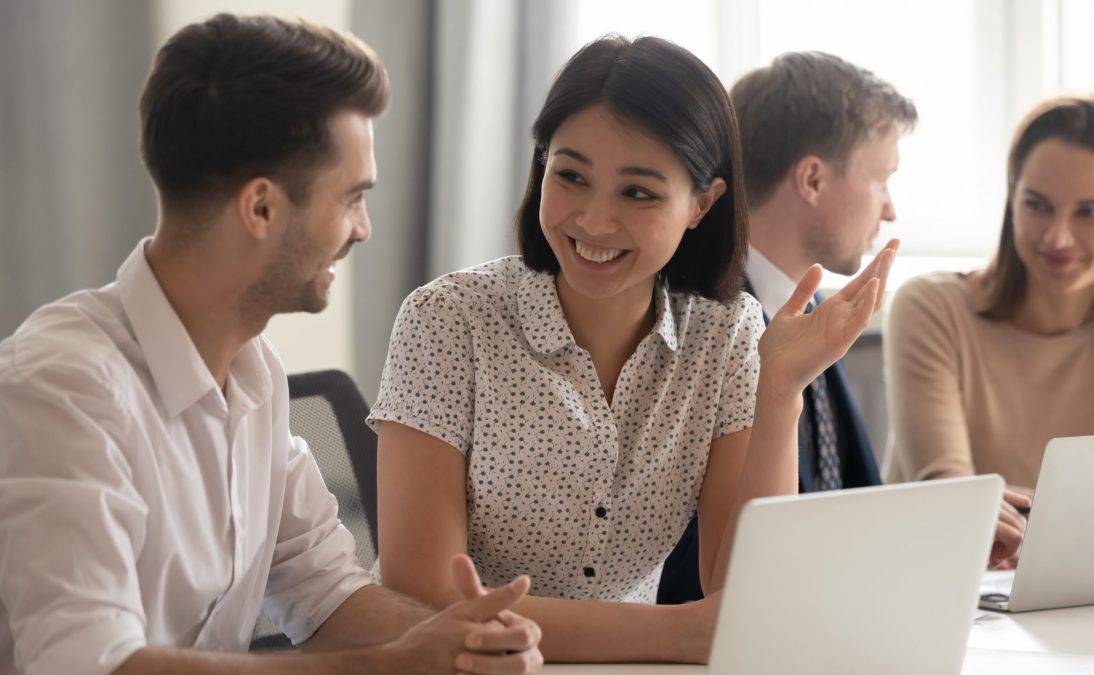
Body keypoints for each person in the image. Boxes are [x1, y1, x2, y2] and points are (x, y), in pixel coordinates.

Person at [0, 14, 542, 675]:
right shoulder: (65, 386)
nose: (363, 229)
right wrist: (392, 663)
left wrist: (460, 636)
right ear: (261, 208)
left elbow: (325, 592)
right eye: (352, 198)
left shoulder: (254, 372)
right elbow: (93, 666)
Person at [370, 35, 896, 664]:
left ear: (702, 204)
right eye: (571, 176)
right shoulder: (448, 320)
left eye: (638, 193)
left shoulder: (728, 334)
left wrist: (779, 391)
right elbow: (425, 595)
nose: (593, 220)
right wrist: (686, 634)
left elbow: (743, 598)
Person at [659, 51, 1028, 601]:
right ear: (811, 179)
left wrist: (942, 521)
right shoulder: (700, 322)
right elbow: (700, 565)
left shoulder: (804, 309)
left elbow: (840, 501)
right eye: (882, 180)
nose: (890, 210)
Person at [886, 94, 1094, 494]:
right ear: (1013, 202)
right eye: (1037, 205)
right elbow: (950, 497)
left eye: (1090, 213)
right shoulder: (931, 308)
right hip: (952, 553)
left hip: (1090, 555)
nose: (1057, 237)